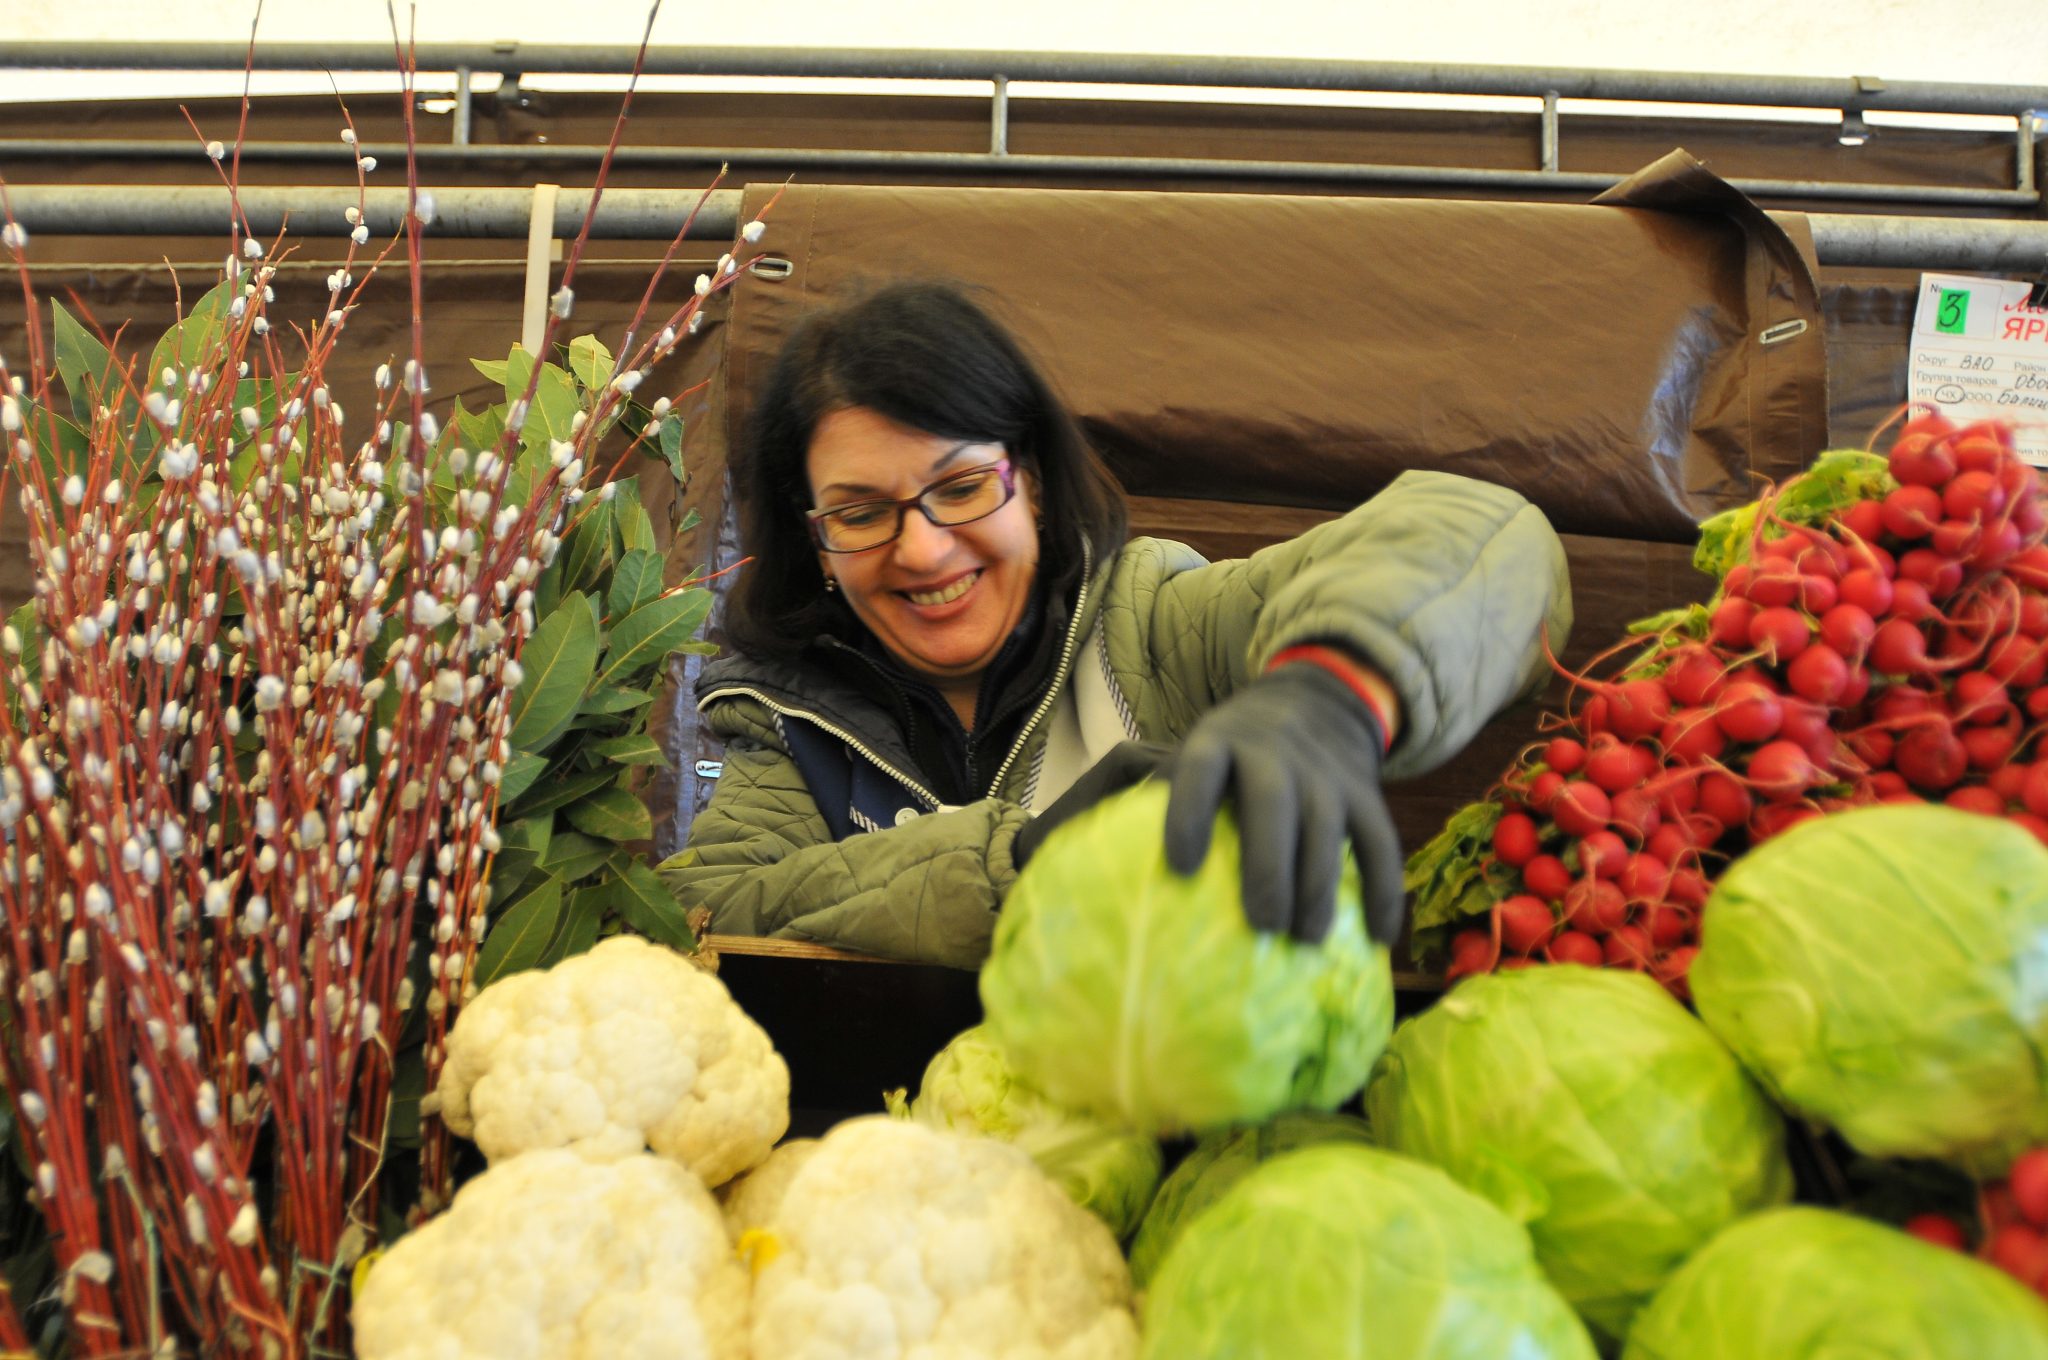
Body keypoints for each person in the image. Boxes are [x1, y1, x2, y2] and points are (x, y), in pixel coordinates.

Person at [657, 281, 1572, 968]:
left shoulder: (1159, 627)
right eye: (859, 514)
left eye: (964, 487)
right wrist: (1023, 859)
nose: (925, 552)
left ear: (1038, 486)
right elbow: (707, 913)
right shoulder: (793, 727)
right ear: (815, 542)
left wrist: (1330, 691)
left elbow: (1486, 538)